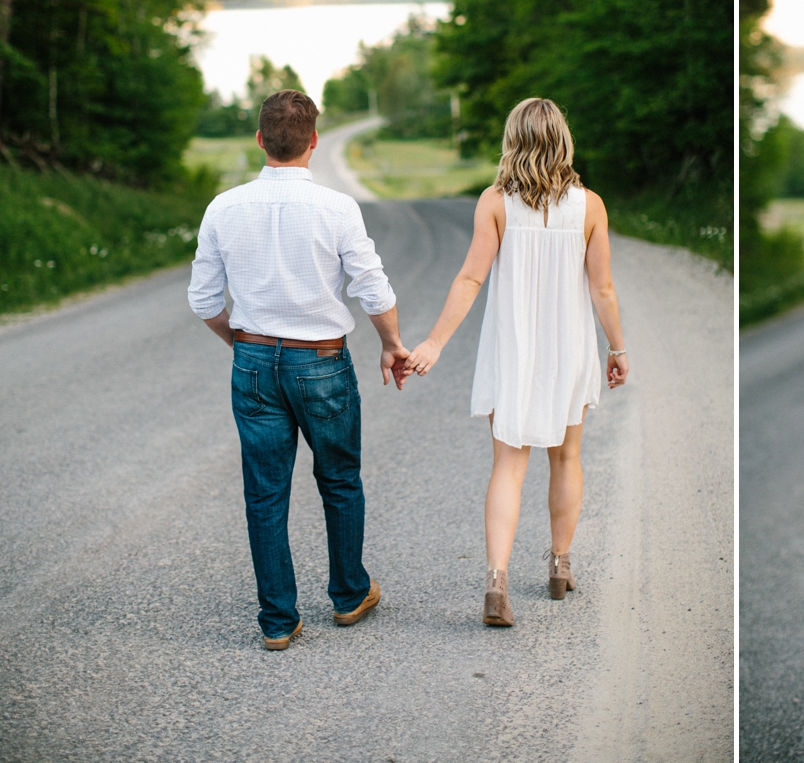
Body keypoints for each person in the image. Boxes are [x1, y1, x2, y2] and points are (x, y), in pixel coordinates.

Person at [188, 89, 410, 651]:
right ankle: (348, 594)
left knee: (264, 493)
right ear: (313, 142)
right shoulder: (337, 209)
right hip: (322, 362)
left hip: (255, 359)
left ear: (260, 140)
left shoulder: (223, 207)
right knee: (338, 479)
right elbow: (372, 288)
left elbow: (204, 299)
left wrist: (242, 344)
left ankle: (278, 621)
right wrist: (393, 345)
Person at [402, 97, 628, 627]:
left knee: (508, 464)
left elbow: (470, 278)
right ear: (563, 141)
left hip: (513, 348)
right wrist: (617, 349)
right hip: (569, 349)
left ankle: (497, 582)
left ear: (513, 141)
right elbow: (604, 289)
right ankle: (558, 565)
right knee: (567, 458)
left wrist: (434, 342)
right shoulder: (590, 206)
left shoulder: (496, 201)